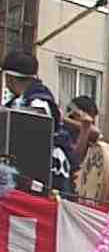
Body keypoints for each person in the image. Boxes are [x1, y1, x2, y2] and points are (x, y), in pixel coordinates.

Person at [1, 51, 75, 193]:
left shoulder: (38, 103)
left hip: (44, 174)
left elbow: (32, 143)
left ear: (10, 78)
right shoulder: (19, 101)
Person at [65, 96, 101, 164]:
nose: (93, 121)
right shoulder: (64, 132)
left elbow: (96, 132)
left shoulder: (89, 132)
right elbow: (74, 158)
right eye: (91, 115)